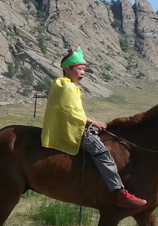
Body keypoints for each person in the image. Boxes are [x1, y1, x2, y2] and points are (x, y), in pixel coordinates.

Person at [41, 47, 147, 208]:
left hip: (75, 124)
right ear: (67, 69)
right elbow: (68, 113)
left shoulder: (64, 84)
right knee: (102, 152)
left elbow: (73, 110)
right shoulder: (67, 87)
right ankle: (119, 192)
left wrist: (90, 119)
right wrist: (92, 122)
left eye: (84, 70)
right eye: (79, 69)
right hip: (72, 130)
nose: (83, 73)